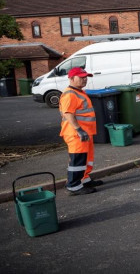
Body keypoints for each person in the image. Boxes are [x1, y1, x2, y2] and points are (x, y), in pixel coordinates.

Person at [59, 67, 103, 196]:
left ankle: (84, 179)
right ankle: (73, 186)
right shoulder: (70, 94)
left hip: (84, 132)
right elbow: (68, 114)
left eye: (86, 77)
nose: (85, 79)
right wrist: (79, 130)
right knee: (77, 160)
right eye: (81, 77)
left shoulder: (79, 92)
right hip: (76, 133)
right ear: (71, 78)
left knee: (86, 158)